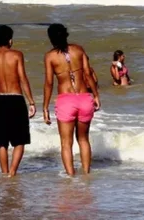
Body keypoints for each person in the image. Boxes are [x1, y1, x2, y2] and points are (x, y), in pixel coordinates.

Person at [43, 23, 101, 176]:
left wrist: (45, 107)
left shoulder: (50, 56)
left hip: (66, 101)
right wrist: (95, 95)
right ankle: (87, 174)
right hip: (84, 98)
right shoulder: (79, 50)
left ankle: (71, 177)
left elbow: (49, 83)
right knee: (83, 140)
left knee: (66, 143)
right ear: (66, 35)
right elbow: (88, 74)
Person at [0, 25, 36, 177]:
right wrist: (31, 102)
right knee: (20, 141)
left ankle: (5, 174)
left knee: (2, 143)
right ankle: (12, 172)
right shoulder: (17, 55)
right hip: (16, 100)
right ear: (10, 40)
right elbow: (23, 78)